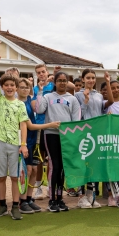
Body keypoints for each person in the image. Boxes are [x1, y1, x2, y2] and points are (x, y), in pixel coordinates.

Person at [0, 54, 29, 220]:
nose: (9, 87)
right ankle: (2, 206)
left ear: (16, 87)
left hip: (15, 144)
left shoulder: (20, 104)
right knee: (0, 175)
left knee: (14, 176)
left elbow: (23, 124)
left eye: (12, 85)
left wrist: (23, 144)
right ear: (3, 87)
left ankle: (15, 206)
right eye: (6, 85)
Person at [36, 71, 81, 212]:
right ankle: (52, 200)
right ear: (55, 82)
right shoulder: (48, 96)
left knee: (62, 167)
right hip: (51, 134)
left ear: (67, 82)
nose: (62, 83)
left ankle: (60, 198)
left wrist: (73, 136)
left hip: (66, 137)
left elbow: (76, 119)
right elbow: (39, 109)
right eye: (59, 80)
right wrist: (40, 92)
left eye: (64, 80)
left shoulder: (72, 99)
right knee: (54, 165)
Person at [16, 77, 61, 214]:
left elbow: (40, 107)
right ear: (17, 89)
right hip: (23, 141)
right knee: (26, 171)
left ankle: (29, 199)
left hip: (33, 140)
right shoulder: (18, 104)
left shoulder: (30, 100)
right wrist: (50, 125)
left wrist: (40, 90)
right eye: (22, 87)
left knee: (35, 171)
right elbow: (29, 125)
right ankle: (22, 201)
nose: (24, 89)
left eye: (27, 87)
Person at [75, 69, 113, 209]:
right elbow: (78, 115)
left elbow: (110, 101)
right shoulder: (77, 95)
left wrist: (108, 82)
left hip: (97, 134)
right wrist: (85, 100)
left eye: (93, 78)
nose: (91, 80)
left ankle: (91, 196)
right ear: (83, 79)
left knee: (93, 166)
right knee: (83, 165)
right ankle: (81, 196)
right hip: (83, 134)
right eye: (88, 78)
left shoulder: (98, 96)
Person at [104, 79, 119, 206]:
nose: (115, 90)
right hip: (109, 141)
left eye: (117, 87)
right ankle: (111, 196)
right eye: (112, 88)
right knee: (110, 169)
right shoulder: (105, 104)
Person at [32, 64, 55, 200]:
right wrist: (39, 92)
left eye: (43, 72)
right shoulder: (35, 89)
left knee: (52, 159)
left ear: (47, 72)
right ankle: (38, 187)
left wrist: (55, 76)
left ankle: (50, 187)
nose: (41, 74)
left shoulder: (53, 86)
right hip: (40, 125)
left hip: (52, 125)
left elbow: (70, 86)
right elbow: (36, 108)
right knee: (39, 159)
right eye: (39, 73)